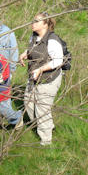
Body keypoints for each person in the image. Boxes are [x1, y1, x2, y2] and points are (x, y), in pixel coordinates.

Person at [19, 12, 64, 146]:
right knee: (28, 103)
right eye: (33, 20)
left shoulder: (52, 40)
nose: (33, 23)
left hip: (48, 79)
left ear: (45, 24)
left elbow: (58, 61)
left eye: (36, 21)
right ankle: (47, 126)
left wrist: (40, 69)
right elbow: (32, 50)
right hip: (33, 77)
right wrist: (24, 54)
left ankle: (46, 142)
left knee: (42, 109)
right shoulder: (33, 37)